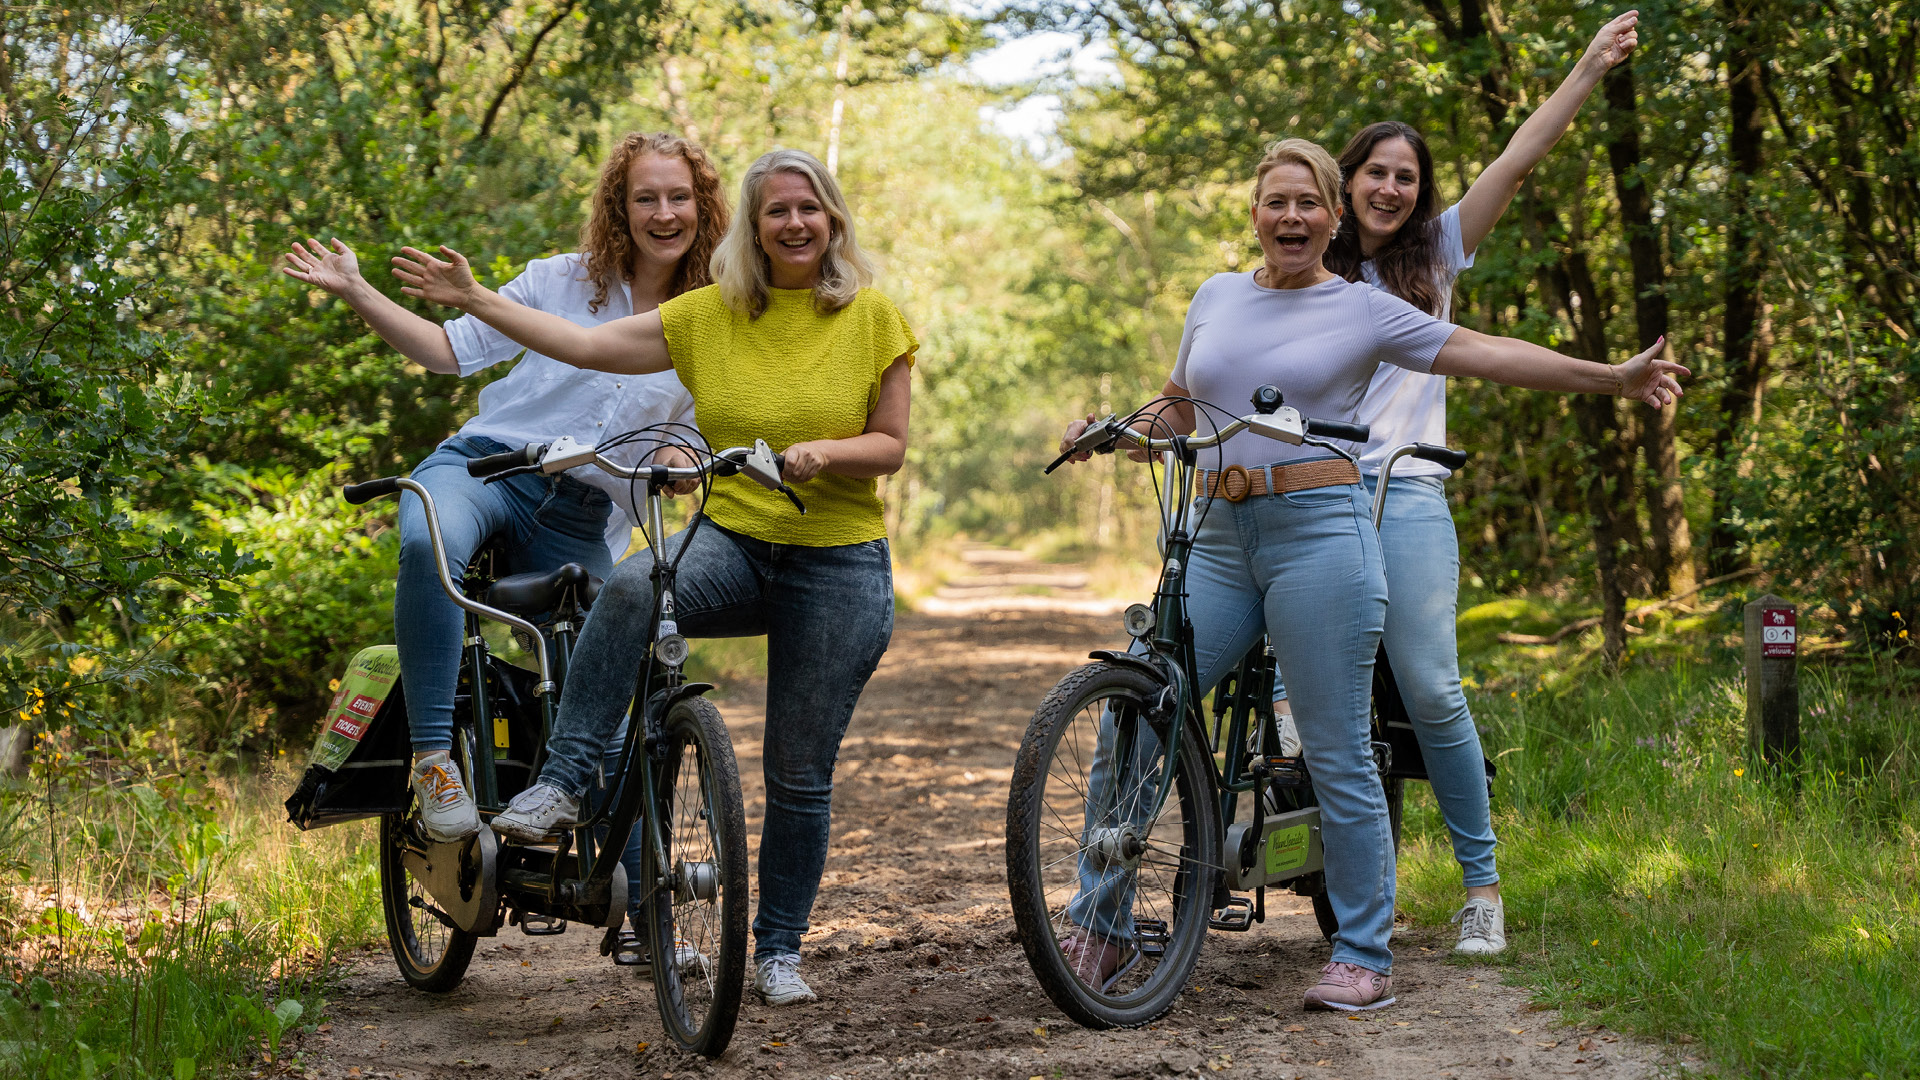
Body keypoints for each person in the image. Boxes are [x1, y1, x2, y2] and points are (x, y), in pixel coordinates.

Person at [1057, 138, 1683, 1012]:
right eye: (1276, 202)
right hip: (1219, 530)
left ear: (1332, 217)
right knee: (1137, 712)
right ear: (1254, 211)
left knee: (1341, 746)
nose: (1292, 218)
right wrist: (1122, 430)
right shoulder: (1216, 296)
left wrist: (1612, 378)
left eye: (1309, 205)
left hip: (1322, 533)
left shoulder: (1362, 310)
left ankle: (1363, 952)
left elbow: (1491, 352)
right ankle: (1102, 924)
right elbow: (1182, 404)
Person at [390, 148, 916, 1008]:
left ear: (833, 221)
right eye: (775, 212)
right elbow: (584, 343)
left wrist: (829, 452)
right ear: (751, 228)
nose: (793, 224)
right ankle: (562, 784)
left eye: (808, 210)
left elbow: (891, 444)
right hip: (738, 542)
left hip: (838, 559)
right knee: (635, 587)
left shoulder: (875, 319)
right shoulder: (708, 316)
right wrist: (482, 302)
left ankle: (778, 950)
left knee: (799, 773)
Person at [280, 131, 726, 858]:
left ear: (704, 206)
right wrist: (359, 291)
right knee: (427, 543)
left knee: (617, 695)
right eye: (645, 197)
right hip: (484, 468)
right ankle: (434, 763)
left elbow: (705, 429)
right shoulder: (559, 280)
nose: (664, 212)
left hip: (584, 514)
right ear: (621, 205)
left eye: (679, 196)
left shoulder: (715, 319)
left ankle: (647, 904)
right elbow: (448, 352)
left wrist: (683, 452)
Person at [1307, 9, 1642, 957]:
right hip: (1315, 495)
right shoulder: (1305, 269)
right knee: (1278, 683)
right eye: (1375, 171)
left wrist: (1583, 70)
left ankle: (1482, 884)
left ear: (1420, 196)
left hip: (1405, 496)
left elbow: (1519, 160)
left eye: (1407, 176)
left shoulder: (1436, 256)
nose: (1390, 186)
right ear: (1346, 181)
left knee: (1432, 686)